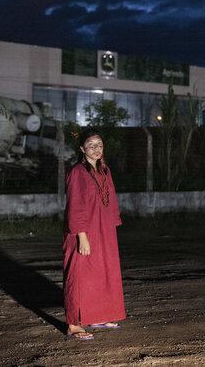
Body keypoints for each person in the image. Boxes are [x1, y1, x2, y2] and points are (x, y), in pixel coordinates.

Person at [63, 127, 126, 340]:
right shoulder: (77, 173)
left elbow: (110, 202)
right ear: (82, 149)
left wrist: (110, 230)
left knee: (102, 273)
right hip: (83, 231)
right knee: (79, 277)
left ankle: (98, 315)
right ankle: (73, 324)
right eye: (91, 145)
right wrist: (82, 235)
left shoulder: (104, 170)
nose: (96, 149)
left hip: (103, 230)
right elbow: (76, 206)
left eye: (99, 145)